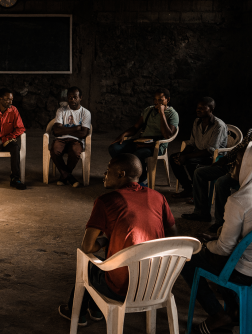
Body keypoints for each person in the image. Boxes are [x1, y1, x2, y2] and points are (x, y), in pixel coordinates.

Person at [180, 143, 252, 333]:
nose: (232, 167)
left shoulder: (238, 199)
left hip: (246, 272)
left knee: (188, 259)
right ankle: (234, 310)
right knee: (218, 255)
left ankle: (217, 314)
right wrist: (217, 238)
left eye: (237, 163)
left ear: (250, 166)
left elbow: (223, 249)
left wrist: (207, 245)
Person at [57, 154, 177, 326]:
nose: (104, 175)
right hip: (157, 285)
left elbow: (88, 246)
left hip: (122, 290)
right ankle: (97, 310)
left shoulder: (106, 201)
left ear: (121, 174)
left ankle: (77, 313)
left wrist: (104, 241)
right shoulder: (158, 197)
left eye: (108, 171)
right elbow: (173, 237)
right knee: (115, 257)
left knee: (90, 265)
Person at [183, 102, 252, 225]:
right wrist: (222, 160)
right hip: (233, 166)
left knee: (221, 182)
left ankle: (221, 222)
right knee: (200, 172)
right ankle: (201, 213)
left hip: (250, 174)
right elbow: (238, 148)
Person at [109, 88, 179, 184]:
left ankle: (141, 180)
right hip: (142, 141)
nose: (157, 103)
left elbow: (167, 135)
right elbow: (135, 127)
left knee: (138, 154)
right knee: (114, 148)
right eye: (155, 99)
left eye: (160, 100)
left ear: (168, 100)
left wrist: (162, 113)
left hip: (156, 145)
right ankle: (127, 175)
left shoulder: (172, 114)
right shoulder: (148, 110)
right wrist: (123, 134)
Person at [170, 97, 227, 198]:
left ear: (211, 109)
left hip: (213, 157)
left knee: (191, 163)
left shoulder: (219, 126)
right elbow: (192, 143)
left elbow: (211, 150)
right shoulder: (197, 122)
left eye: (202, 108)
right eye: (197, 107)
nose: (198, 110)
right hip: (199, 153)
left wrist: (187, 157)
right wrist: (182, 154)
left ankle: (199, 194)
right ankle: (188, 189)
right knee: (174, 158)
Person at [50, 87, 92, 188]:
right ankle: (69, 177)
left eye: (75, 97)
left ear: (80, 98)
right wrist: (76, 129)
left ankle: (64, 177)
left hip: (76, 140)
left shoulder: (86, 113)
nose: (72, 100)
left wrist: (64, 129)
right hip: (61, 139)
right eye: (70, 97)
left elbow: (83, 134)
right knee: (54, 151)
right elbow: (56, 131)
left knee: (75, 152)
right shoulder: (61, 110)